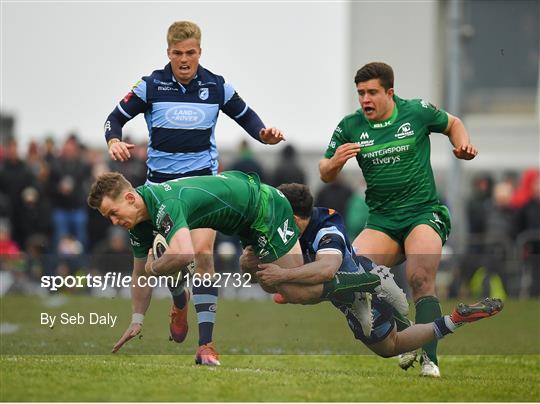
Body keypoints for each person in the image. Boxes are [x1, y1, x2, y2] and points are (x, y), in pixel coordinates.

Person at [103, 21, 285, 364]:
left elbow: (248, 118)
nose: (184, 60)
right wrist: (113, 139)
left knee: (202, 255)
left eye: (190, 53)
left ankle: (205, 345)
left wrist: (264, 134)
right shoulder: (150, 85)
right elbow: (114, 118)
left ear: (200, 52)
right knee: (169, 261)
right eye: (177, 54)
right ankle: (178, 300)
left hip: (203, 186)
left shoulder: (217, 86)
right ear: (168, 53)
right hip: (160, 190)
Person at [88, 171, 387, 364]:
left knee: (295, 290)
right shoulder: (138, 221)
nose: (113, 222)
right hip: (244, 222)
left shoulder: (165, 203)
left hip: (263, 205)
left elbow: (181, 255)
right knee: (266, 281)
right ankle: (348, 288)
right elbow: (140, 272)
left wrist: (155, 268)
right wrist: (137, 318)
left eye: (113, 213)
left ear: (129, 197)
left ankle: (358, 284)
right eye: (108, 218)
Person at [319, 62, 478, 377]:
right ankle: (405, 331)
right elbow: (325, 171)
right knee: (349, 274)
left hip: (422, 213)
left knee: (420, 279)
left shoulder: (416, 111)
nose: (365, 99)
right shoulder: (350, 126)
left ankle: (430, 360)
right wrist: (335, 163)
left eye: (372, 92)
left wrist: (460, 144)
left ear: (389, 92)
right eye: (361, 93)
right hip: (382, 221)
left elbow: (453, 123)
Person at [252, 183, 502, 361]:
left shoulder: (324, 228)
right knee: (393, 341)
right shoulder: (297, 230)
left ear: (294, 217)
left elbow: (327, 269)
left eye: (279, 213)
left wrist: (283, 277)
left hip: (352, 287)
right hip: (353, 285)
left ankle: (369, 282)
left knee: (390, 345)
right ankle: (456, 318)